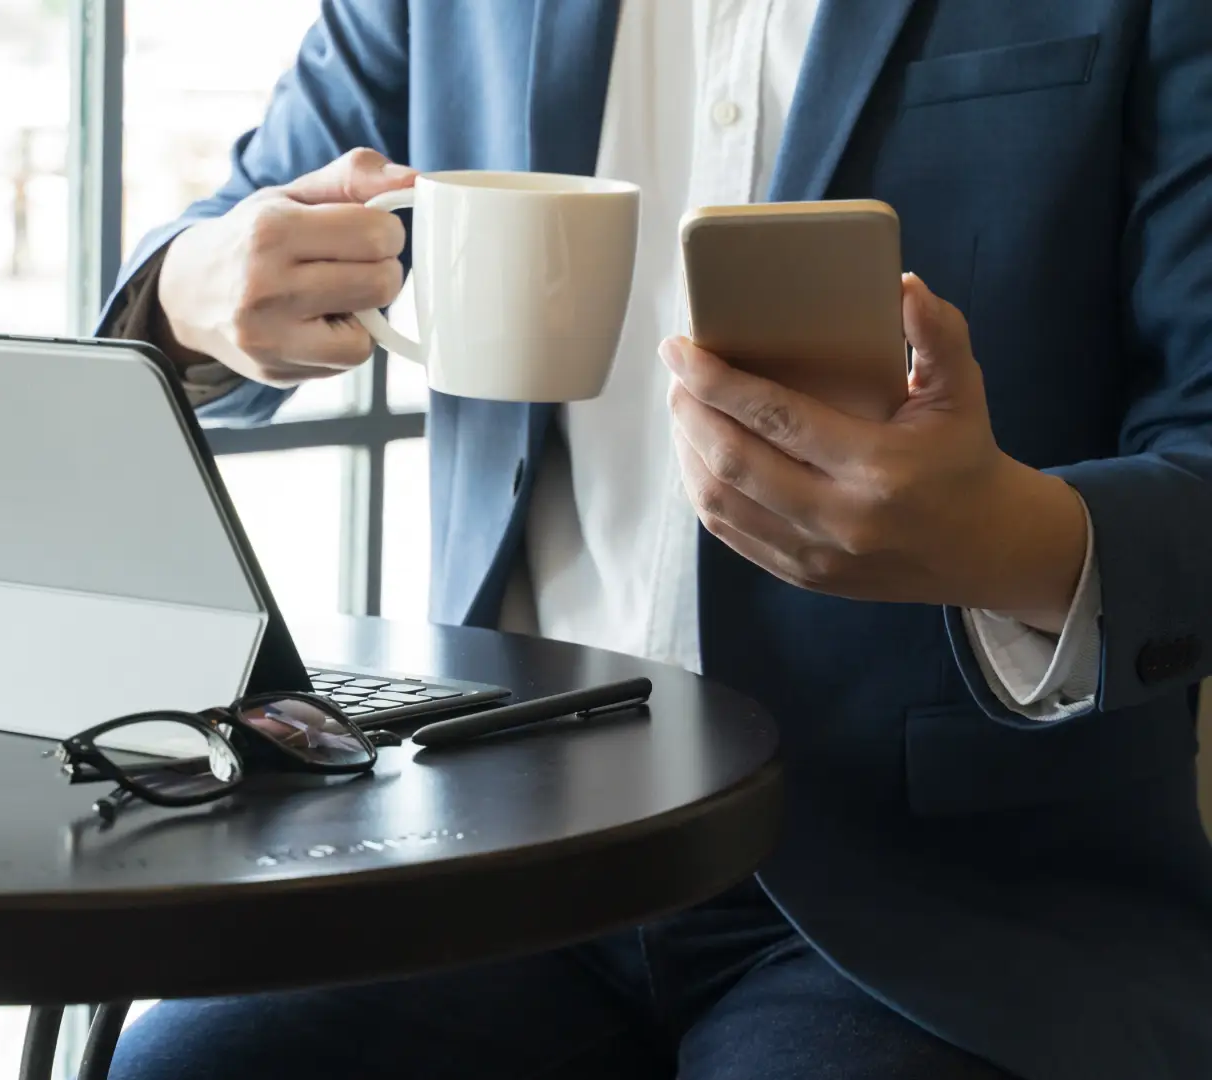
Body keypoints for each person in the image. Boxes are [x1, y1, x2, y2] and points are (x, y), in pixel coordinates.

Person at [96, 3, 1212, 1079]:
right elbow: (243, 226)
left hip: (959, 901)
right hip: (483, 837)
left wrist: (1007, 542)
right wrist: (190, 292)